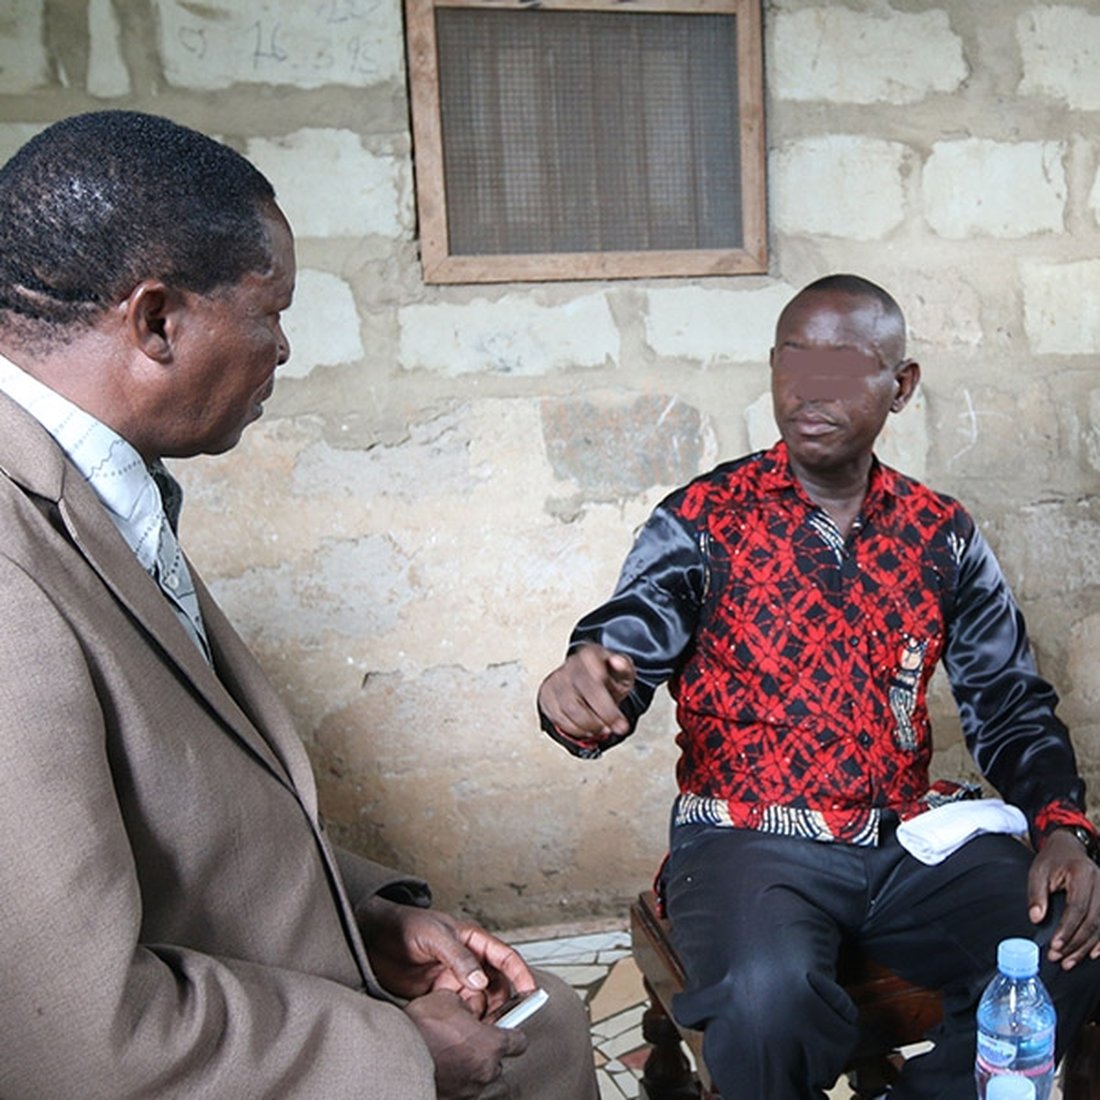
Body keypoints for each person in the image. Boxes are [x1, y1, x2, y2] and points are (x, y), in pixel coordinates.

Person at [0, 110, 597, 1100]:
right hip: (199, 1055)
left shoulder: (92, 490)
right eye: (269, 311)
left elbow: (188, 813)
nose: (281, 348)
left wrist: (367, 914)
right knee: (537, 1045)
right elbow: (79, 1036)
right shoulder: (12, 572)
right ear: (157, 322)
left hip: (259, 983)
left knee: (548, 1019)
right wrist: (401, 1055)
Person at [537, 274, 1100, 1099]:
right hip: (746, 839)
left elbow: (1010, 704)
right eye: (794, 360)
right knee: (768, 1003)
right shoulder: (704, 519)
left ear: (901, 385)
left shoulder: (940, 533)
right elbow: (619, 652)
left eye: (843, 364)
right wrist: (580, 692)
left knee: (1073, 944)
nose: (811, 387)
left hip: (908, 840)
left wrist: (1062, 829)